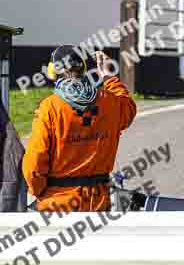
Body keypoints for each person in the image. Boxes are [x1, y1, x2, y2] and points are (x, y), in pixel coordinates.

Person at [22, 47, 137, 213]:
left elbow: (33, 164)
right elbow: (128, 107)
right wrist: (108, 77)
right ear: (83, 68)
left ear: (53, 72)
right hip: (98, 203)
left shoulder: (50, 108)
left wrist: (38, 191)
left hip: (56, 206)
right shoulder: (110, 102)